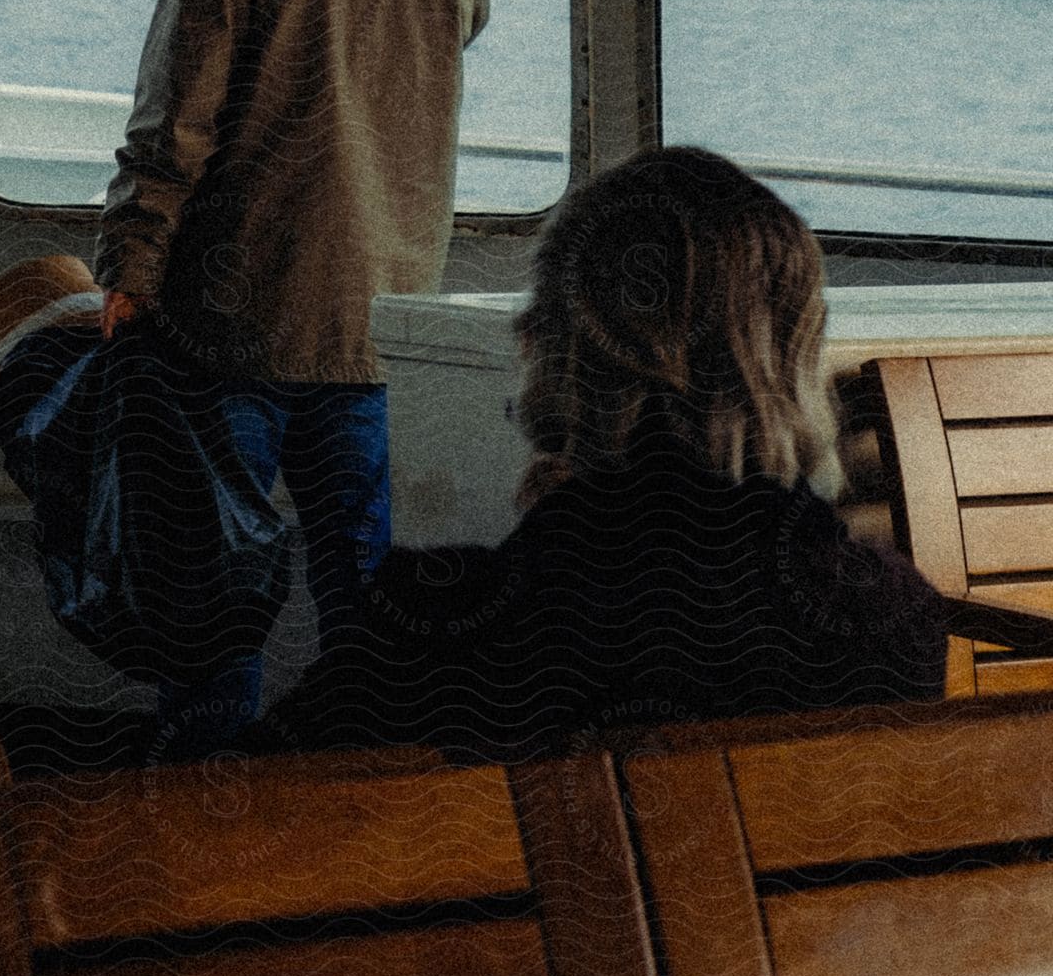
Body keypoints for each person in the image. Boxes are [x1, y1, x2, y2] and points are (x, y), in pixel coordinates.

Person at [271, 146, 948, 758]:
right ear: (793, 359)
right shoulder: (890, 618)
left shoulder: (438, 622)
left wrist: (557, 529)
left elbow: (226, 818)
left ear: (548, 345)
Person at [91, 0, 490, 755]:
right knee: (362, 589)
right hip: (379, 323)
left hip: (236, 319)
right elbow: (457, 34)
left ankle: (205, 810)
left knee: (212, 589)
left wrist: (129, 270)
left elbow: (174, 119)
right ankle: (357, 813)